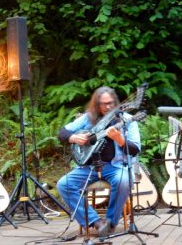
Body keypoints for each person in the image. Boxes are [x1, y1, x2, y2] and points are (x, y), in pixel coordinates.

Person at [57, 86, 141, 236]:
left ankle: (110, 223)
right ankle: (96, 222)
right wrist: (73, 137)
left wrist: (119, 139)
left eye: (111, 103)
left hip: (115, 166)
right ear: (96, 104)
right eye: (103, 104)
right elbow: (62, 132)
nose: (108, 107)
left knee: (123, 181)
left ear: (115, 102)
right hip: (88, 168)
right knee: (64, 184)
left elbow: (135, 149)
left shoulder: (128, 120)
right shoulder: (88, 118)